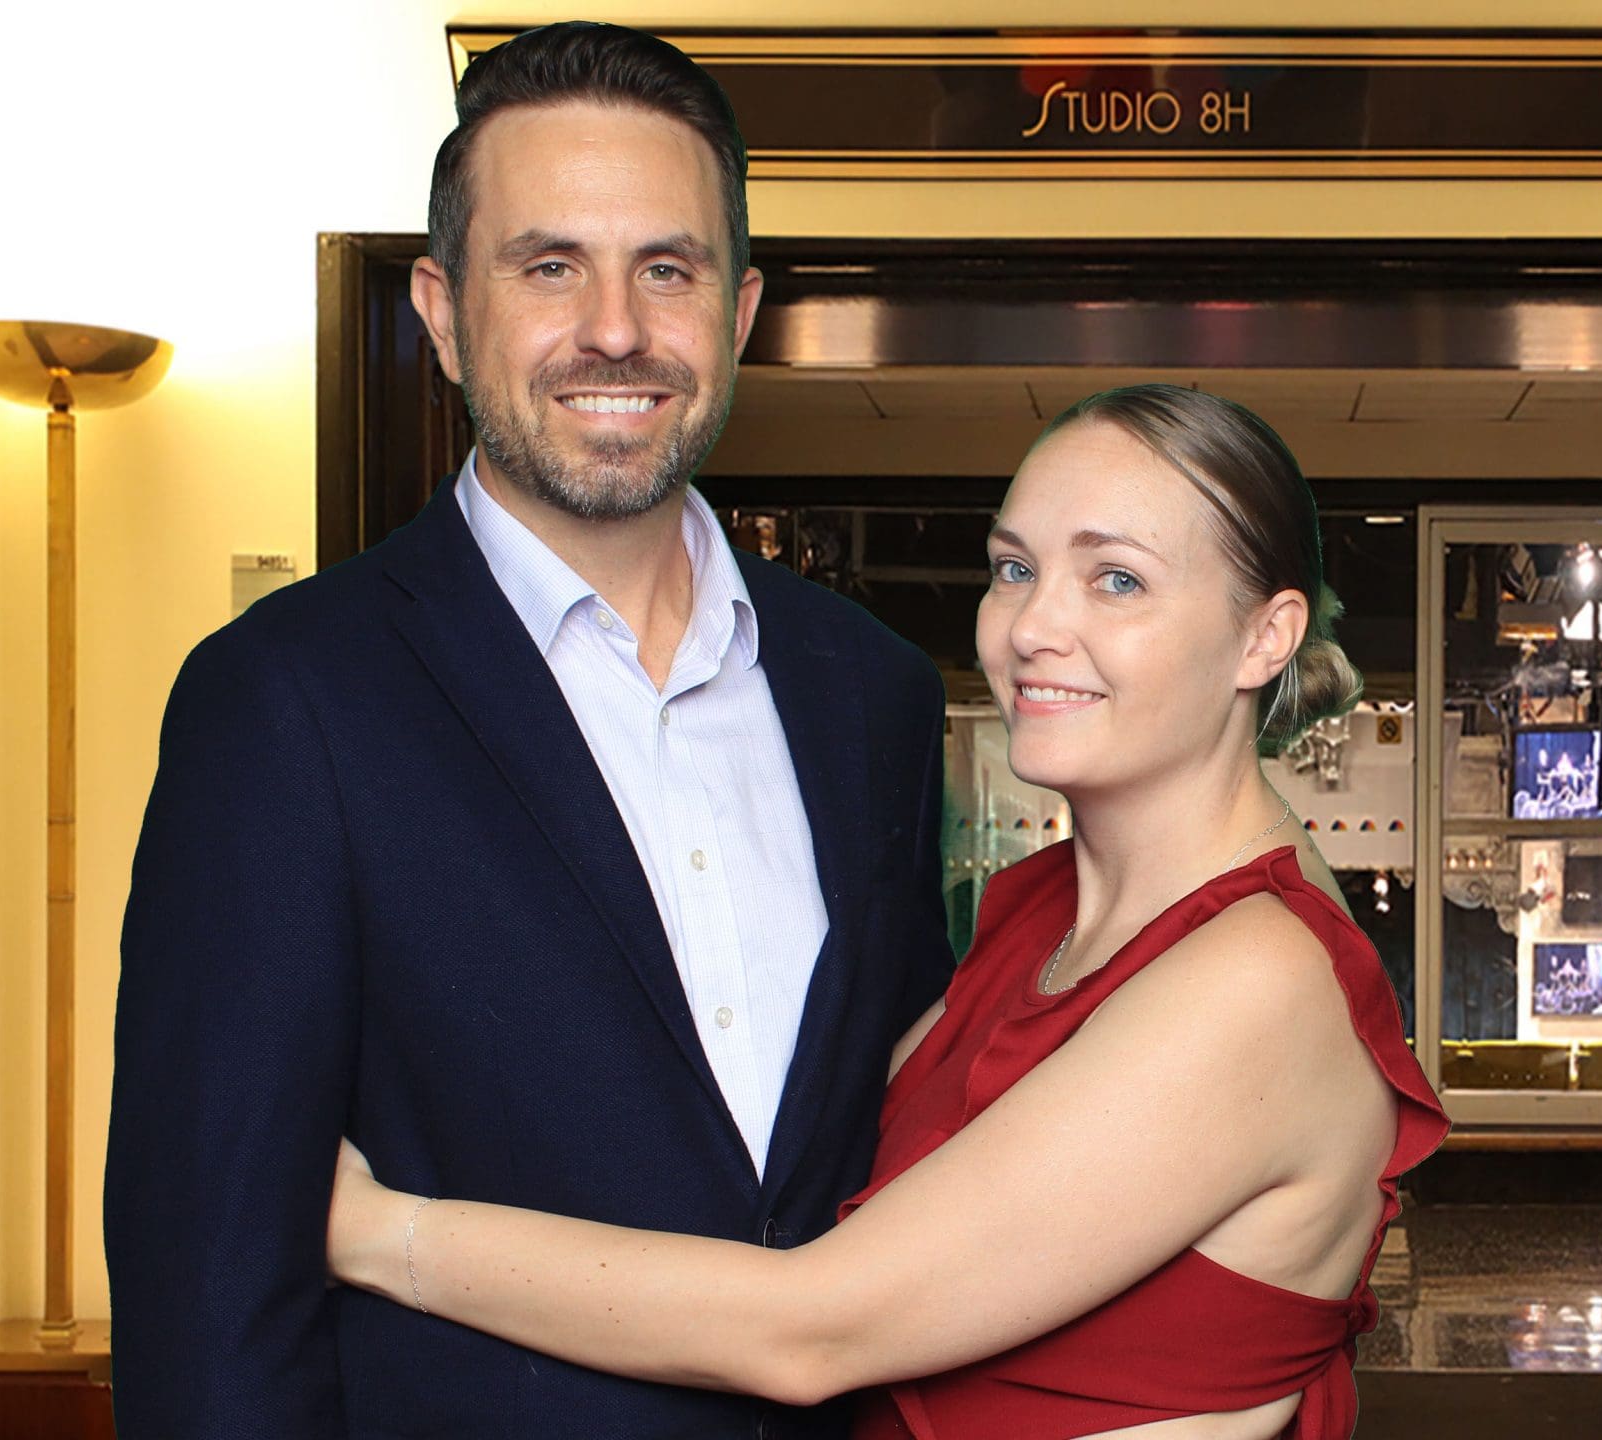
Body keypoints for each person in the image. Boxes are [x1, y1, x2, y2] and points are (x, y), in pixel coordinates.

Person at [103, 22, 953, 1439]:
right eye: (549, 266)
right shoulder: (284, 701)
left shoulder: (870, 693)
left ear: (739, 312)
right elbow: (212, 1281)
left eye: (667, 269)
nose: (615, 328)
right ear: (442, 313)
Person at [326, 384, 1452, 1439]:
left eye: (1116, 580)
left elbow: (809, 1327)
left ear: (1265, 636)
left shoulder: (1258, 977)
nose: (1032, 627)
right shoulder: (1043, 913)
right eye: (1014, 569)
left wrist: (379, 1231)